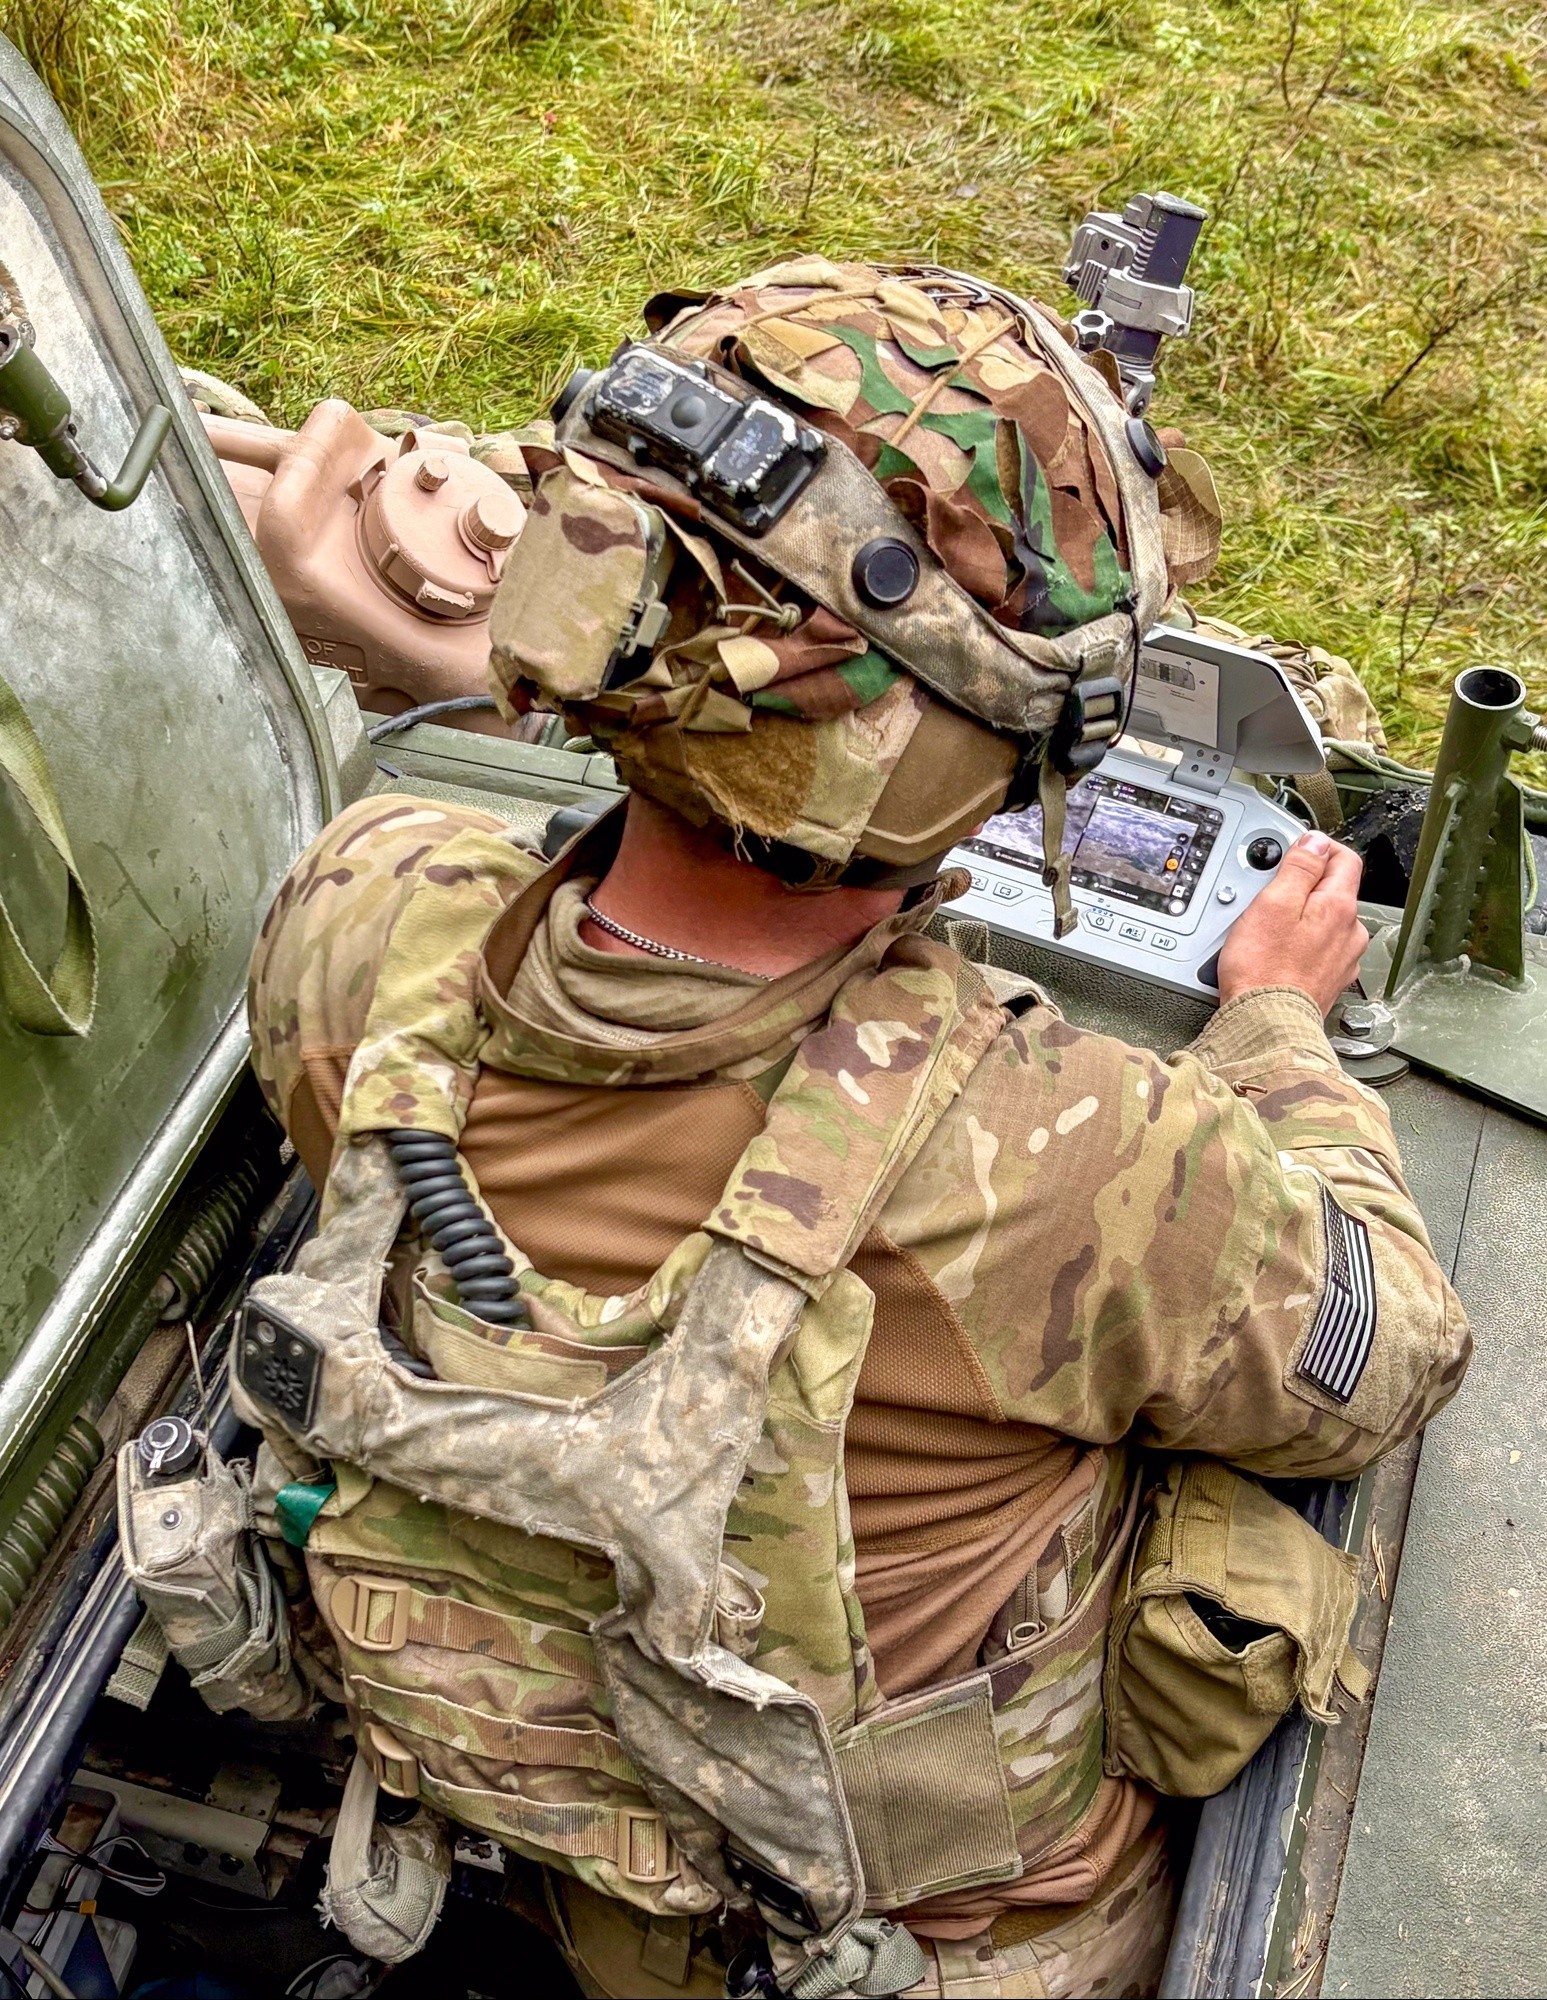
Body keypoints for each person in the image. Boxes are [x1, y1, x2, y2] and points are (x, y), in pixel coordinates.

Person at [242, 259, 1468, 2000]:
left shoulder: (359, 908)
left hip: (550, 1870)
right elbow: (1386, 1355)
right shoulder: (1076, 1155)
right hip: (927, 1950)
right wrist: (1274, 1026)